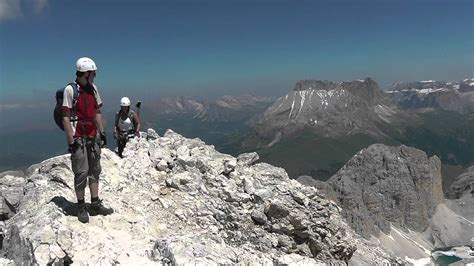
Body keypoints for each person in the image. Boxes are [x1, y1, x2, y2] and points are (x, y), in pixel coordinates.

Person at [62, 57, 113, 223]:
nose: (95, 75)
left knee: (95, 170)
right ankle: (82, 206)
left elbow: (97, 112)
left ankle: (95, 203)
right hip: (78, 136)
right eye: (93, 73)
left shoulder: (93, 89)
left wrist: (102, 133)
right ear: (86, 73)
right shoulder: (70, 90)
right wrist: (71, 141)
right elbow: (65, 117)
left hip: (93, 135)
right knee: (81, 172)